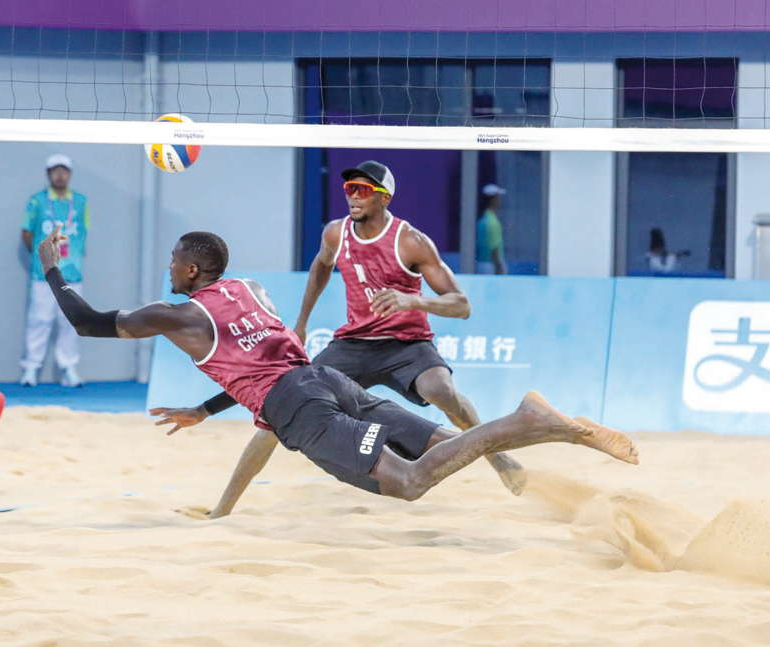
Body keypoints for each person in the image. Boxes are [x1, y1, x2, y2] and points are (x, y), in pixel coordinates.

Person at [37, 226, 638, 508]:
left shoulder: (178, 316)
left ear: (192, 271)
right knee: (448, 444)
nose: (169, 269)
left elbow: (88, 323)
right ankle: (544, 432)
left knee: (410, 483)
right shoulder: (251, 291)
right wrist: (204, 411)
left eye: (174, 261)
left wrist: (52, 269)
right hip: (329, 380)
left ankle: (525, 418)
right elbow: (261, 376)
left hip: (301, 403)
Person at [159, 162, 538, 518]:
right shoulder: (335, 233)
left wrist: (412, 300)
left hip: (407, 343)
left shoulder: (411, 241)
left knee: (441, 391)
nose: (352, 196)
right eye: (348, 189)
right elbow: (321, 266)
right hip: (354, 342)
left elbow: (462, 305)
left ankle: (500, 459)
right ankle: (223, 509)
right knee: (275, 414)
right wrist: (302, 321)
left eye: (362, 190)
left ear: (383, 198)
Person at [19, 154, 90, 387]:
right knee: (39, 320)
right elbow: (27, 233)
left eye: (64, 170)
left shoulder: (80, 201)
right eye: (55, 171)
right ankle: (31, 369)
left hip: (72, 273)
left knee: (71, 320)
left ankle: (69, 368)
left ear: (69, 174)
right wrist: (43, 258)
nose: (60, 175)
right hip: (43, 274)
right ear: (48, 174)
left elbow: (84, 233)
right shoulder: (37, 201)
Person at [476, 183, 507, 275]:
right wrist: (501, 268)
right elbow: (494, 250)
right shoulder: (492, 222)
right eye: (498, 198)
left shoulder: (482, 221)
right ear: (493, 200)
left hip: (481, 265)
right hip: (491, 267)